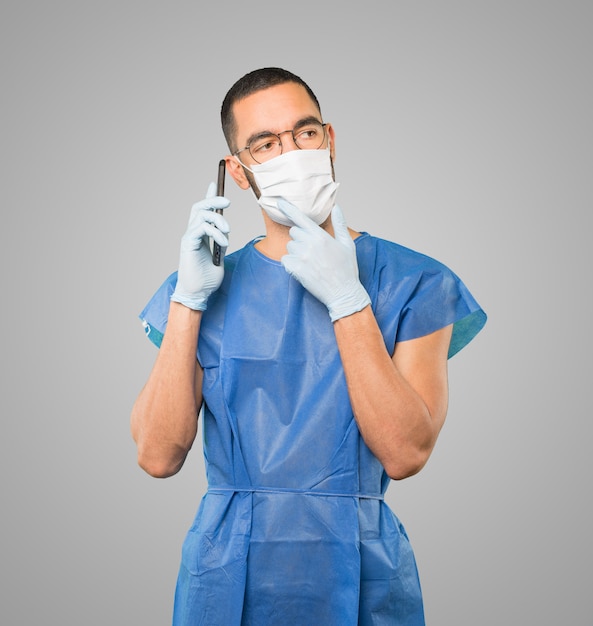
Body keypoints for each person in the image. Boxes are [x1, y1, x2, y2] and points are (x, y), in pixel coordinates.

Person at [131, 67, 487, 626]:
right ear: (239, 173)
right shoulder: (204, 285)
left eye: (305, 133)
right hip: (228, 573)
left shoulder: (415, 282)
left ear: (330, 140)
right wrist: (187, 301)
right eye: (265, 144)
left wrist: (349, 300)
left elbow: (406, 453)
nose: (292, 152)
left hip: (360, 569)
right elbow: (156, 455)